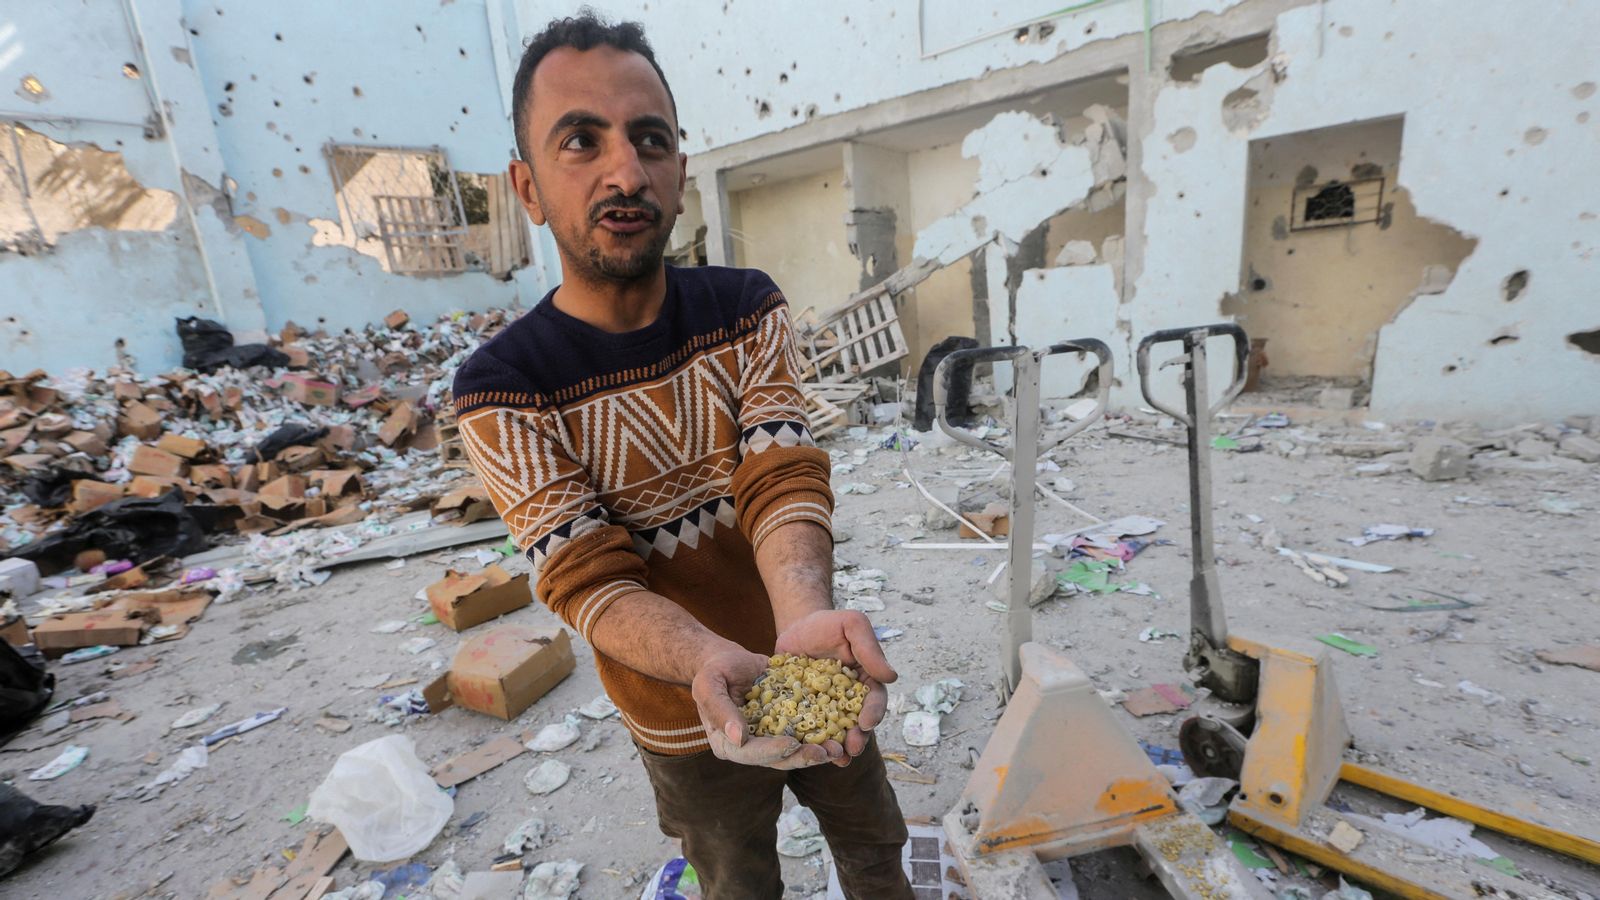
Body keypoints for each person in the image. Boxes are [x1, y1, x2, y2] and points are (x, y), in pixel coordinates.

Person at [451, 11, 914, 900]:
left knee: (874, 844)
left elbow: (779, 477)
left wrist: (802, 624)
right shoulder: (503, 386)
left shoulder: (745, 307)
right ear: (528, 186)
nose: (625, 171)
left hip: (807, 657)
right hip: (678, 716)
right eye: (580, 141)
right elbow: (588, 579)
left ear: (681, 171)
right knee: (738, 881)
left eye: (649, 140)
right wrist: (706, 658)